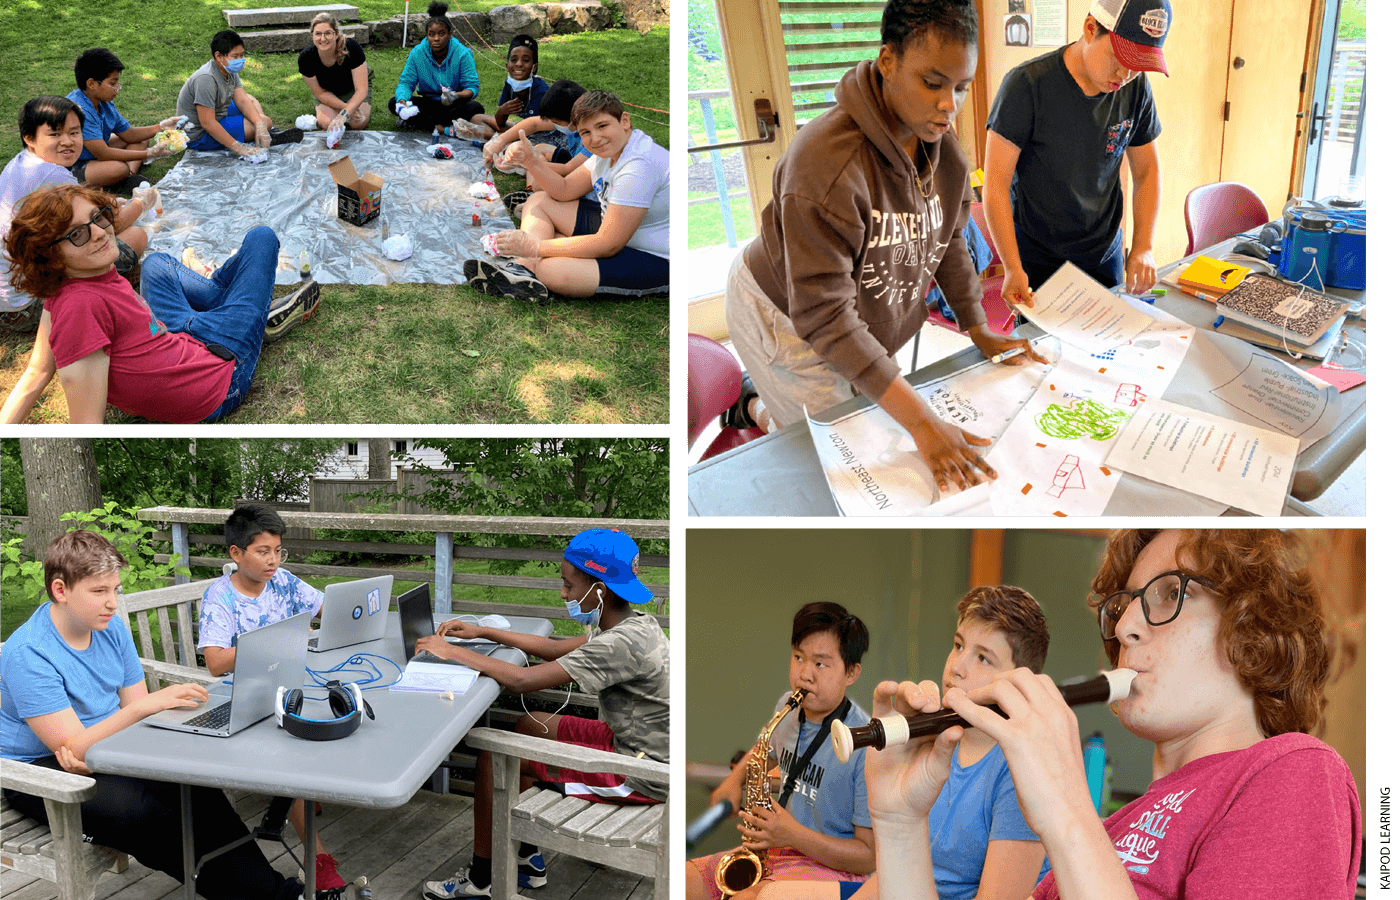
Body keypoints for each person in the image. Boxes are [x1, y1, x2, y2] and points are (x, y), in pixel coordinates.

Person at [865, 528, 1361, 899]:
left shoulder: (1296, 770)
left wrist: (1066, 813)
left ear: (1253, 622)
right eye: (1123, 605)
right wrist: (901, 822)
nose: (1123, 627)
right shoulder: (1116, 829)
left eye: (1170, 592)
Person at [722, 0, 1047, 497]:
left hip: (845, 308)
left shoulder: (940, 143)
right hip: (785, 313)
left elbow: (949, 238)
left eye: (961, 87)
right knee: (832, 456)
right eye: (933, 83)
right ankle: (756, 406)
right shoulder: (824, 166)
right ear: (888, 61)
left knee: (860, 408)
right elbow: (825, 318)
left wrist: (977, 326)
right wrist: (921, 423)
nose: (949, 105)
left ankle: (760, 398)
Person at [0, 530, 303, 900]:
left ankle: (276, 892)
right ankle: (268, 895)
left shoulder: (109, 628)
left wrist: (141, 713)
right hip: (38, 772)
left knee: (192, 782)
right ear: (60, 590)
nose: (112, 603)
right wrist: (147, 705)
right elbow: (72, 751)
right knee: (142, 813)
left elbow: (132, 715)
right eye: (99, 592)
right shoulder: (29, 654)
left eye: (116, 590)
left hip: (107, 745)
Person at [417, 528, 668, 897]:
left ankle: (482, 879)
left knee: (495, 753)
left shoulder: (619, 643)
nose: (563, 593)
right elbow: (555, 649)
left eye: (569, 585)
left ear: (599, 590)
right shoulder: (632, 625)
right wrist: (482, 632)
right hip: (636, 745)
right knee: (526, 726)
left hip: (640, 774)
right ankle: (527, 861)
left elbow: (520, 680)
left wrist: (451, 652)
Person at [3, 183, 319, 423]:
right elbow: (86, 423)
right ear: (50, 254)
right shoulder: (80, 308)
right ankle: (248, 312)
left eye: (99, 218)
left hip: (178, 337)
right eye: (77, 235)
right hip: (222, 373)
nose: (99, 233)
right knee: (261, 238)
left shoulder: (65, 285)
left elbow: (37, 372)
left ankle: (232, 301)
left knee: (156, 264)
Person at [196, 504, 346, 895]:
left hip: (285, 683)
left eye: (278, 550)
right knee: (297, 750)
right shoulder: (220, 599)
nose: (273, 560)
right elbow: (214, 663)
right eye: (263, 551)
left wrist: (345, 613)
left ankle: (301, 802)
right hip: (241, 696)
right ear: (236, 553)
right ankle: (318, 857)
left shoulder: (283, 581)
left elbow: (327, 609)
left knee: (342, 714)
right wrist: (267, 645)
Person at [983, 0, 1169, 307]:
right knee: (1042, 352)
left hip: (1105, 253)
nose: (1126, 73)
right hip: (1037, 258)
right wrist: (1012, 267)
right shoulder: (1026, 86)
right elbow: (996, 186)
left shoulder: (1135, 89)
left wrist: (1142, 246)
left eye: (1139, 64)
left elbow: (1147, 170)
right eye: (1119, 57)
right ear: (1090, 28)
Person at [686, 602, 874, 900]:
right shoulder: (788, 705)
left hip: (833, 869)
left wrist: (791, 834)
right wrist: (733, 781)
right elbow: (764, 750)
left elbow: (868, 857)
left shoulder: (864, 743)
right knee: (684, 880)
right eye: (799, 657)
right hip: (780, 849)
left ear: (851, 673)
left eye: (820, 664)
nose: (805, 675)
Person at [467, 90, 669, 302]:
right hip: (618, 230)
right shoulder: (609, 151)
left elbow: (609, 243)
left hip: (655, 256)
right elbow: (565, 190)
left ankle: (537, 260)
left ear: (624, 121)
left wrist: (536, 247)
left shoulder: (638, 166)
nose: (596, 138)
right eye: (585, 132)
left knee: (552, 269)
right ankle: (522, 270)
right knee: (539, 200)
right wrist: (531, 162)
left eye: (602, 126)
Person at [177, 30, 303, 157]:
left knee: (251, 102)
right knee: (266, 122)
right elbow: (207, 123)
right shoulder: (206, 79)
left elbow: (242, 99)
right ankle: (261, 135)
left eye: (242, 55)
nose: (240, 60)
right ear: (219, 56)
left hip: (218, 112)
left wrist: (259, 125)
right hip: (199, 134)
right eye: (235, 56)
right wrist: (238, 148)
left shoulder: (228, 69)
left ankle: (261, 134)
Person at [66, 47, 180, 188]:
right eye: (112, 83)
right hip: (73, 163)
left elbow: (130, 134)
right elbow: (103, 154)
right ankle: (116, 177)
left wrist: (161, 127)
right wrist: (149, 153)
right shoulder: (78, 110)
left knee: (142, 138)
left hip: (94, 151)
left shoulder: (104, 103)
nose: (117, 88)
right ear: (92, 84)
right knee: (117, 169)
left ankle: (128, 176)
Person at [391, 2, 483, 138]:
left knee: (475, 108)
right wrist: (402, 101)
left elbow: (472, 87)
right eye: (431, 34)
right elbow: (406, 82)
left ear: (449, 34)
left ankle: (420, 122)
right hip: (428, 102)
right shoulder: (417, 53)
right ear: (427, 35)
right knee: (393, 102)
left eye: (441, 34)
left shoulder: (463, 53)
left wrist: (456, 95)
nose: (436, 39)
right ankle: (445, 127)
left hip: (452, 104)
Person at [299, 13, 372, 131]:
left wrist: (344, 114)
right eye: (318, 34)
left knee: (358, 123)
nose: (323, 39)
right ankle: (326, 108)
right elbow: (321, 93)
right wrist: (346, 109)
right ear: (312, 35)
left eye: (328, 33)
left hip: (353, 90)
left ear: (336, 34)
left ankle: (346, 110)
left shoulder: (352, 47)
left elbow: (361, 89)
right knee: (327, 124)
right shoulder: (306, 58)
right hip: (327, 93)